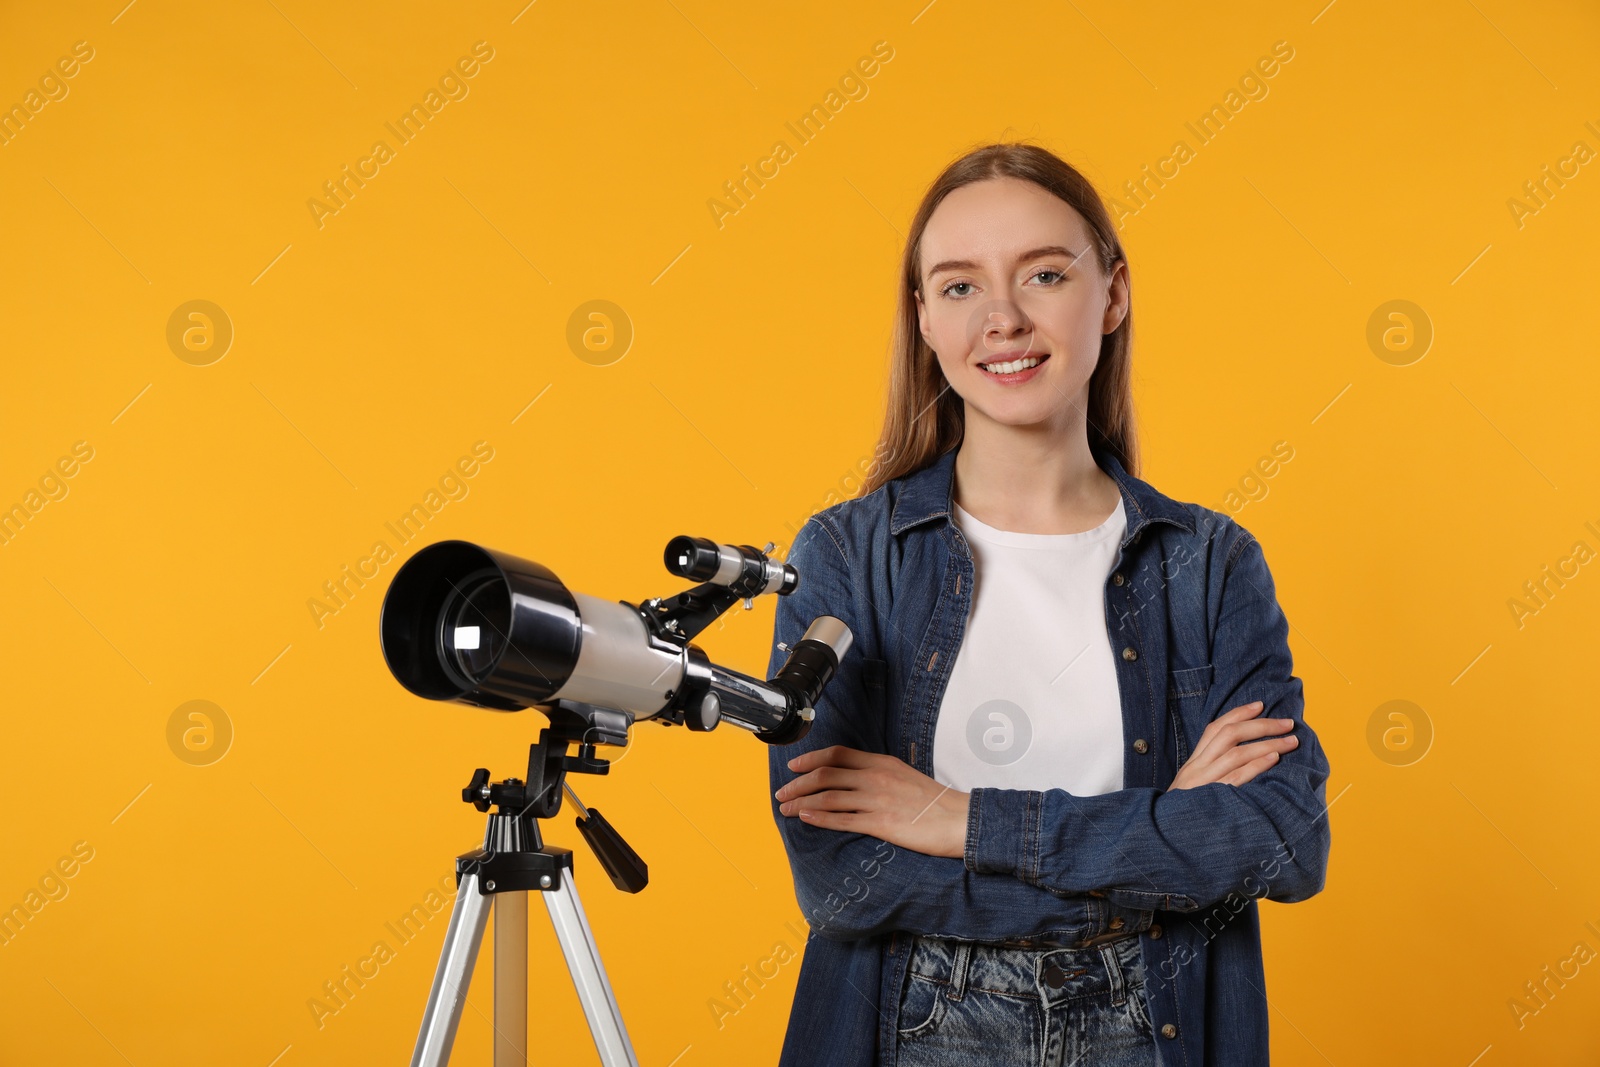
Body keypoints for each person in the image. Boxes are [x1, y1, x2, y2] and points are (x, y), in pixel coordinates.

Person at [765, 142, 1332, 1066]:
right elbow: (843, 880)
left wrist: (963, 819)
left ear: (1111, 294)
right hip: (916, 1024)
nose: (1003, 318)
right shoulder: (845, 556)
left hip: (1155, 1024)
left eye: (1042, 274)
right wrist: (1160, 841)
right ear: (924, 319)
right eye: (957, 287)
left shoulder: (1210, 564)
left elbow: (1282, 843)